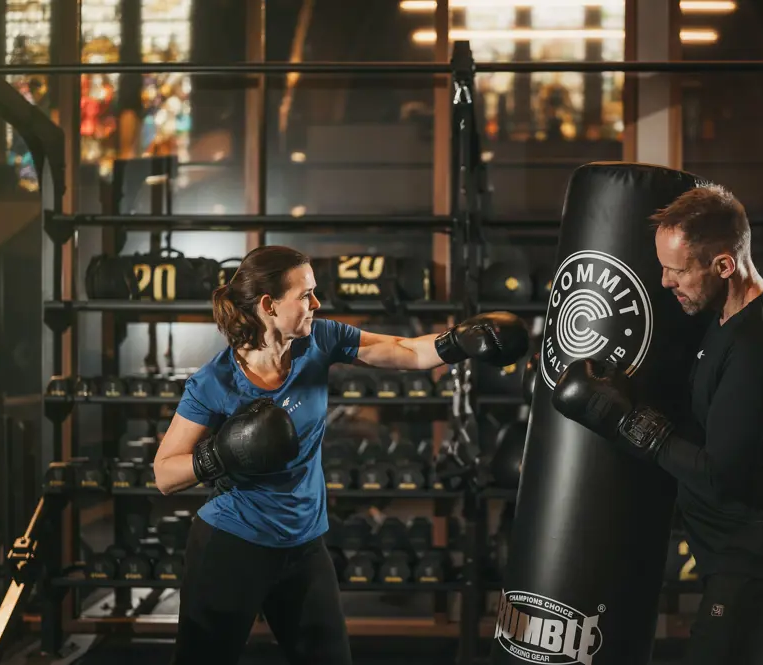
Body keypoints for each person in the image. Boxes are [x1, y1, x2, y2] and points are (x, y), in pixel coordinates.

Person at [154, 245, 529, 665]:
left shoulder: (321, 340)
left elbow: (405, 350)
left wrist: (458, 342)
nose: (316, 303)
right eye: (304, 295)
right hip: (231, 545)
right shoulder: (214, 382)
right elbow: (165, 475)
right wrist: (222, 453)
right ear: (268, 305)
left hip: (304, 546)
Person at [551, 184, 763, 665]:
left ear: (723, 265)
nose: (666, 281)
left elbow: (720, 474)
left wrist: (621, 418)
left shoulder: (759, 346)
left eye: (677, 269)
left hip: (749, 558)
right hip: (742, 552)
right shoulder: (722, 313)